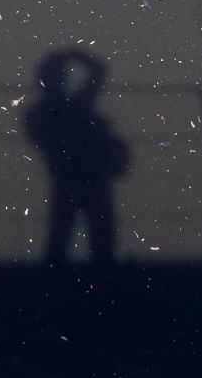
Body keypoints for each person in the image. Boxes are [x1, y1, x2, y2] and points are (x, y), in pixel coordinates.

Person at [24, 51, 130, 263]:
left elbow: (98, 71)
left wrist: (65, 55)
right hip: (80, 178)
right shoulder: (73, 107)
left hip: (72, 179)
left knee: (72, 237)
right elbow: (97, 70)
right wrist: (71, 55)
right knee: (84, 238)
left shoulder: (40, 114)